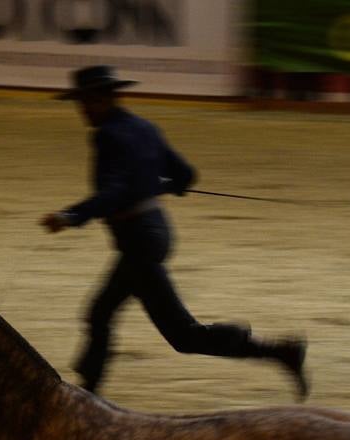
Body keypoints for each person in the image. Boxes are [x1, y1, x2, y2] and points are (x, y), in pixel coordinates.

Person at [41, 65, 309, 399]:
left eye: (85, 102)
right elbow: (185, 175)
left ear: (103, 98)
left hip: (138, 241)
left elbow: (113, 193)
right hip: (154, 232)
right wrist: (157, 185)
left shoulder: (106, 135)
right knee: (101, 312)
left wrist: (70, 216)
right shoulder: (146, 128)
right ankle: (87, 392)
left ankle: (277, 351)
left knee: (182, 336)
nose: (81, 110)